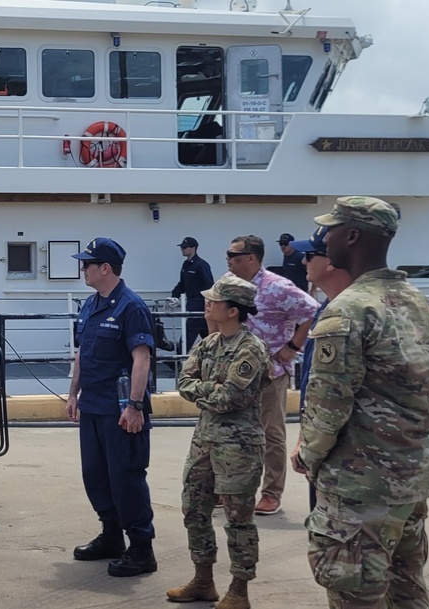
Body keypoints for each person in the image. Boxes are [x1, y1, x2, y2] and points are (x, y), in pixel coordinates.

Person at [294, 196, 429, 608]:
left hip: (359, 487)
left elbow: (328, 406)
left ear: (352, 235)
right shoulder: (422, 304)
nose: (325, 239)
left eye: (331, 230)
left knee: (357, 597)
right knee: (408, 593)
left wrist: (308, 457)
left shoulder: (346, 310)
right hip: (409, 481)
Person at [166, 276, 271, 609]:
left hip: (238, 447)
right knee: (194, 509)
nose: (208, 304)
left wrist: (206, 391)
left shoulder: (250, 348)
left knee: (238, 518)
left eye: (215, 300)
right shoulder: (208, 343)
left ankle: (239, 590)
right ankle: (203, 580)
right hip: (205, 441)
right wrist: (210, 391)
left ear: (233, 310)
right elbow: (184, 382)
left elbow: (230, 398)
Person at [65, 237, 157, 577]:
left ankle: (142, 549)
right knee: (96, 476)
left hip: (120, 411)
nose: (82, 269)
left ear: (105, 268)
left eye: (87, 264)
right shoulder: (91, 305)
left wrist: (134, 406)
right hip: (93, 407)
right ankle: (111, 536)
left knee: (126, 479)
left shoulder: (131, 307)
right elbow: (82, 353)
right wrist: (73, 393)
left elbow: (141, 359)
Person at [222, 234, 318, 516]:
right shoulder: (228, 284)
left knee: (270, 433)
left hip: (269, 372)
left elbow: (311, 311)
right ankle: (233, 489)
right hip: (234, 373)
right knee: (232, 432)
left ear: (251, 258)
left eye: (233, 255)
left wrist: (292, 347)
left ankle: (271, 493)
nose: (228, 259)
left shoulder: (278, 286)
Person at [285, 227, 352, 512]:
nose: (303, 262)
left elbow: (334, 395)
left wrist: (312, 448)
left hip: (347, 457)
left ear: (330, 262)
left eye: (310, 255)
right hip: (328, 448)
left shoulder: (346, 314)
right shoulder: (327, 308)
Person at [171, 236, 214, 351]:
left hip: (200, 302)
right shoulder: (186, 265)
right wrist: (173, 296)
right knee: (206, 332)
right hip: (191, 302)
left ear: (193, 248)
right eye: (182, 247)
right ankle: (215, 352)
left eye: (185, 247)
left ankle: (179, 356)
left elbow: (209, 285)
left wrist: (209, 303)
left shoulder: (201, 265)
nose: (182, 249)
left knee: (190, 330)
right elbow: (182, 284)